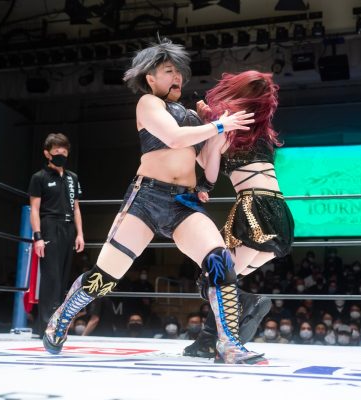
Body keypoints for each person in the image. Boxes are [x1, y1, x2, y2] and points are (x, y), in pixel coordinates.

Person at [41, 38, 266, 364]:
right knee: (104, 278)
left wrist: (219, 135)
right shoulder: (148, 104)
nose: (177, 77)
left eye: (179, 72)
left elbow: (209, 170)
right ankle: (62, 316)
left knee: (220, 260)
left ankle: (228, 344)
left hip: (184, 203)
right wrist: (217, 124)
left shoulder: (193, 116)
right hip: (146, 199)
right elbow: (173, 138)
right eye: (168, 71)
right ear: (150, 78)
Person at [183, 70, 295, 358]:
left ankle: (244, 309)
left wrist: (206, 129)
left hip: (254, 206)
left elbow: (208, 173)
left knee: (214, 277)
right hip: (279, 210)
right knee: (224, 280)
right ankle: (206, 341)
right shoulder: (261, 131)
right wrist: (210, 127)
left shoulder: (227, 127)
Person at [28, 133, 85, 335]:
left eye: (64, 151)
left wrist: (80, 234)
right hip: (49, 226)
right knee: (51, 277)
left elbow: (76, 208)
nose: (61, 154)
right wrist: (38, 237)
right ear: (47, 153)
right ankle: (45, 327)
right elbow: (34, 209)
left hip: (68, 228)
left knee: (62, 277)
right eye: (57, 151)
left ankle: (55, 325)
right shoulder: (39, 177)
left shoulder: (72, 178)